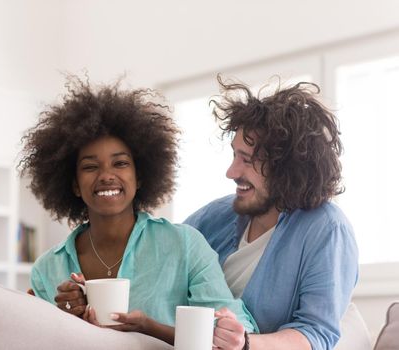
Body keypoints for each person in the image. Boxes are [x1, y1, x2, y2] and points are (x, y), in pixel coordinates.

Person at [18, 76, 257, 346]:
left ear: (140, 176)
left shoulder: (184, 246)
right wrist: (63, 320)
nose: (106, 176)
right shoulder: (48, 269)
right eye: (90, 167)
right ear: (73, 184)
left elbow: (227, 330)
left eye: (120, 163)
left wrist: (149, 327)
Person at [184, 77, 358, 350]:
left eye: (247, 160)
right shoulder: (217, 215)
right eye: (234, 156)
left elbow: (316, 333)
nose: (231, 172)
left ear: (287, 168)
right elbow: (159, 250)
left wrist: (245, 344)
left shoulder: (327, 229)